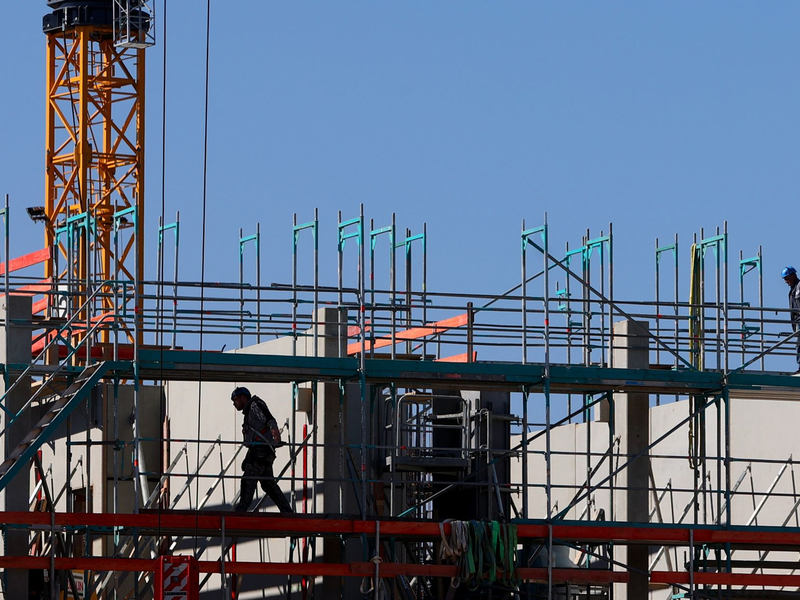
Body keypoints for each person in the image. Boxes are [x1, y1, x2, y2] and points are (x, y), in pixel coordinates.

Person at [231, 387, 293, 513]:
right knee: (268, 484)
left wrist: (276, 437)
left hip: (260, 454)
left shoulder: (254, 405)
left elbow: (270, 420)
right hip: (261, 453)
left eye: (235, 400)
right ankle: (287, 511)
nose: (234, 403)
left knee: (248, 481)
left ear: (243, 398)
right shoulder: (250, 411)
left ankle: (241, 512)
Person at [782, 266, 800, 375]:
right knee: (798, 344)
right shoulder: (793, 290)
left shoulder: (799, 286)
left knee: (799, 343)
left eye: (787, 278)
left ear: (793, 275)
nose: (786, 281)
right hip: (797, 321)